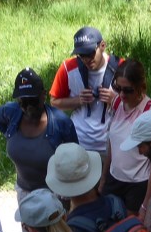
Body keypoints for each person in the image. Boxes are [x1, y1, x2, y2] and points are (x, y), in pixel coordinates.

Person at [0, 67, 79, 204]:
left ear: (43, 95)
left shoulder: (61, 123)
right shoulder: (11, 112)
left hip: (54, 195)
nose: (27, 107)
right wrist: (12, 137)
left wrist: (67, 197)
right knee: (28, 226)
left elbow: (74, 159)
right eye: (22, 102)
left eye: (32, 101)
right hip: (24, 193)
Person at [103, 58, 151, 215]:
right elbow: (111, 145)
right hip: (113, 178)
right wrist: (103, 179)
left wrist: (146, 204)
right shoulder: (117, 103)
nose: (121, 94)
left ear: (141, 87)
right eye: (118, 88)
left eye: (128, 90)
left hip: (137, 184)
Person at [50, 26, 120, 155]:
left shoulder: (121, 67)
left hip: (113, 143)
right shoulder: (67, 68)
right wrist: (78, 100)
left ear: (103, 45)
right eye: (82, 55)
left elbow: (138, 102)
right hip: (80, 142)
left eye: (90, 53)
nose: (86, 59)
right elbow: (54, 102)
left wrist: (114, 99)